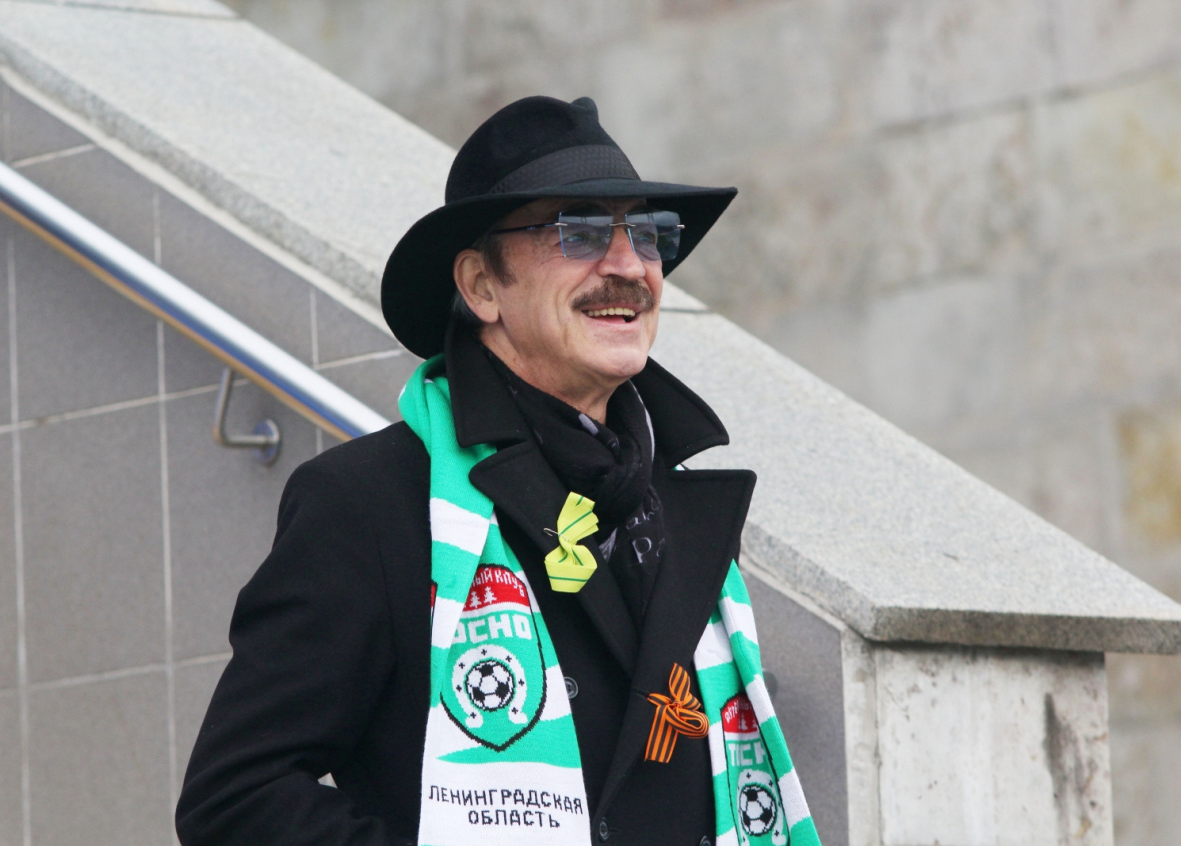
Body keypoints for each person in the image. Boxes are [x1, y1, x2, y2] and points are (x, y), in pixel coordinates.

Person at [176, 96, 819, 846]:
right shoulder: (368, 502)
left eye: (648, 234)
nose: (628, 266)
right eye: (579, 232)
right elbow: (235, 800)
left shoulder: (676, 503)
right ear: (483, 286)